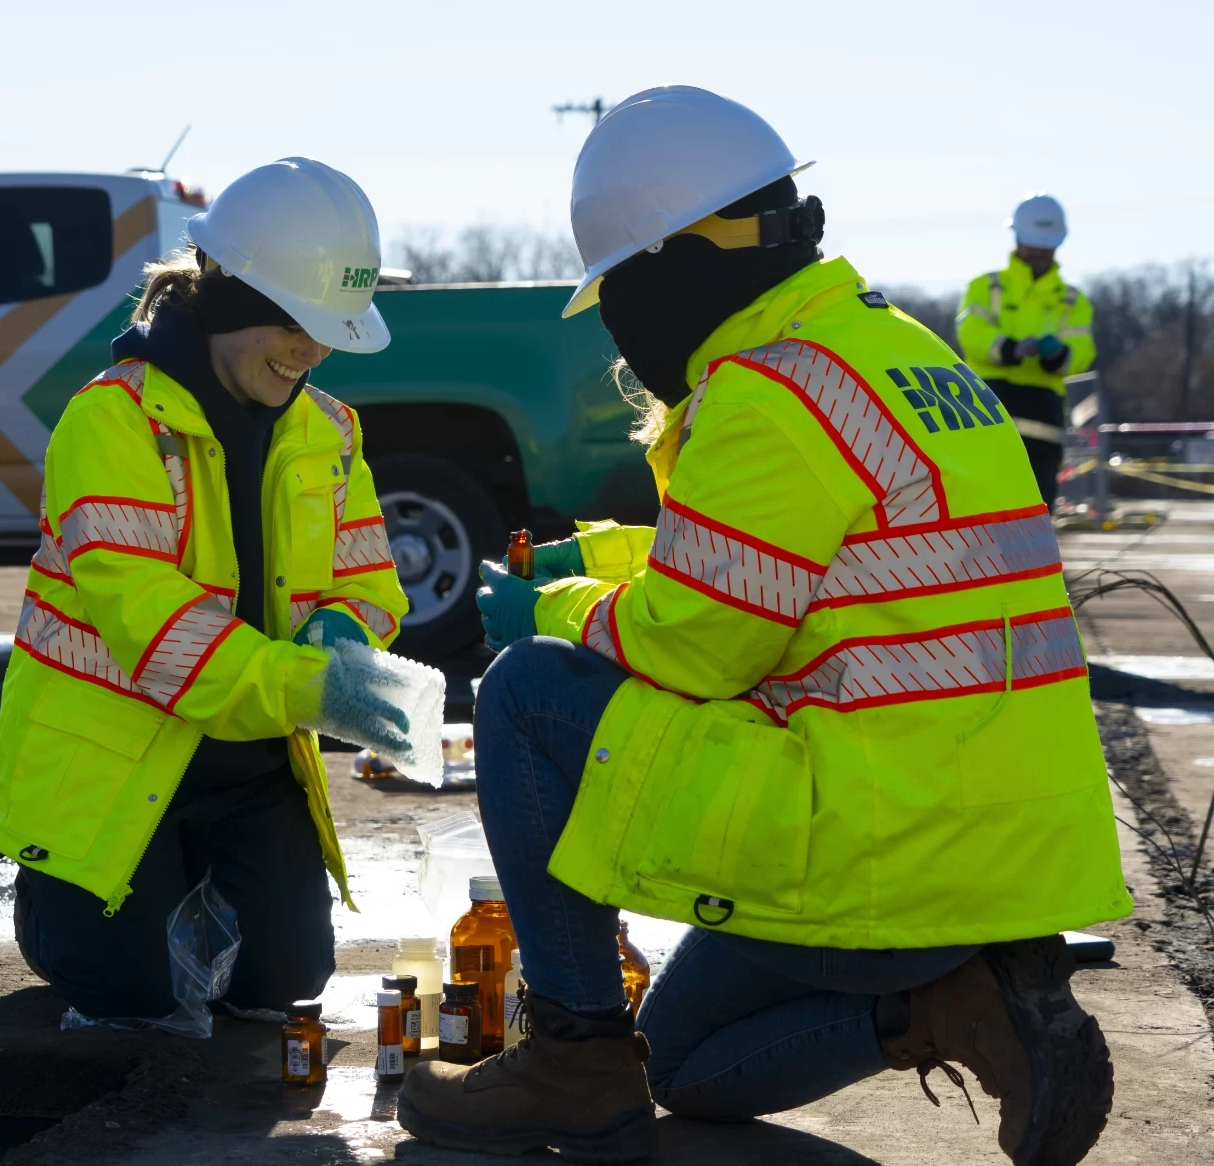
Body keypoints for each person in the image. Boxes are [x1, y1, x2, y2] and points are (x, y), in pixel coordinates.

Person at [400, 87, 1127, 1166]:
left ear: (673, 262)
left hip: (881, 841)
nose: (618, 319)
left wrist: (540, 610)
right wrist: (593, 559)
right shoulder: (889, 351)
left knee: (526, 693)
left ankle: (573, 1057)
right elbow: (789, 567)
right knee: (690, 1069)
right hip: (993, 847)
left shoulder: (770, 392)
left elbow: (696, 644)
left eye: (620, 289)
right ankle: (950, 1005)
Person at [0, 158, 412, 1023]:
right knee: (131, 993)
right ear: (229, 298)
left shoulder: (328, 431)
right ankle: (54, 911)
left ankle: (191, 894)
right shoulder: (110, 422)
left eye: (330, 328)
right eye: (297, 322)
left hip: (253, 764)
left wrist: (343, 629)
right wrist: (322, 688)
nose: (314, 349)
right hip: (113, 764)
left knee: (286, 983)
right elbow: (162, 634)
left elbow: (371, 584)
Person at [957, 195, 1096, 508]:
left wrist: (1056, 355)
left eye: (1044, 246)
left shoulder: (1073, 300)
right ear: (1018, 239)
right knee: (980, 502)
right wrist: (1010, 348)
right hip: (987, 400)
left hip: (1041, 411)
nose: (1038, 252)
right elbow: (971, 334)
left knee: (1037, 504)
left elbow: (1082, 352)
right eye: (1033, 245)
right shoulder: (986, 286)